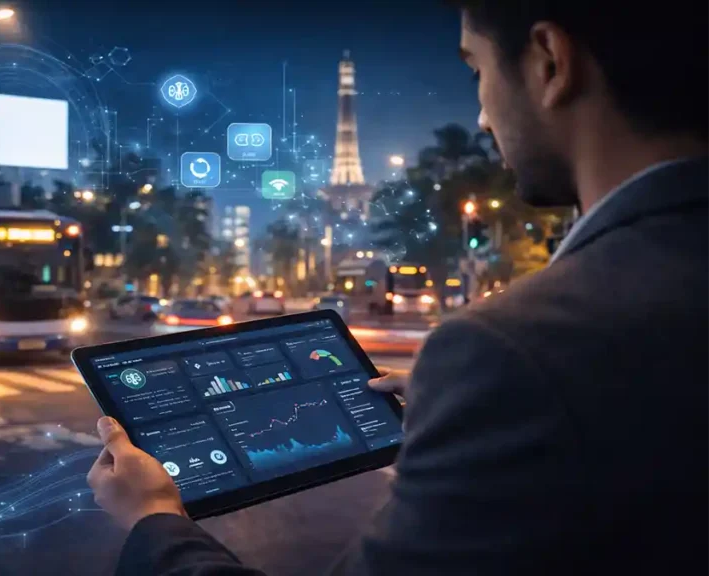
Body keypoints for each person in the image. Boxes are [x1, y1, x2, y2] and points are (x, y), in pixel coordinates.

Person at [88, 1, 709, 574]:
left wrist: (154, 520)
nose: (482, 116)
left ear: (550, 61)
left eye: (477, 71)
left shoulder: (515, 351)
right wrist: (468, 405)